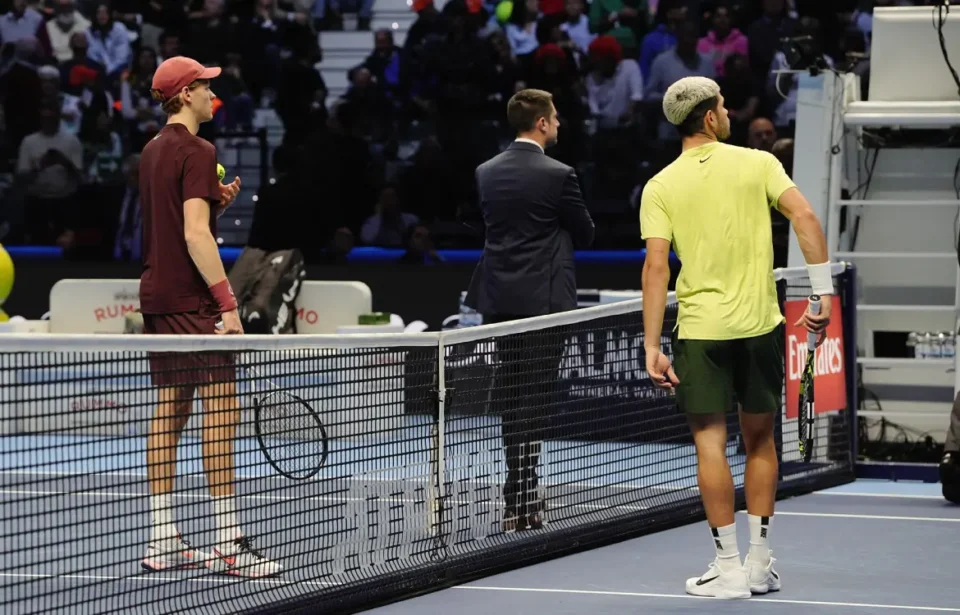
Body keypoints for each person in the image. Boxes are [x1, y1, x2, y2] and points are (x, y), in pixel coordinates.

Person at [639, 76, 831, 599]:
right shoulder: (759, 164)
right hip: (759, 326)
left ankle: (728, 569)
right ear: (709, 117)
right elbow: (804, 216)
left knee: (710, 443)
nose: (728, 113)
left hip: (701, 332)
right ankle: (759, 564)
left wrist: (652, 344)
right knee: (761, 441)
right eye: (723, 106)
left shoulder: (659, 185)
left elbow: (656, 267)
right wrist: (822, 294)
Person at [138, 55, 282, 578]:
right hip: (192, 300)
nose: (211, 94)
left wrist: (213, 204)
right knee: (223, 410)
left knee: (171, 410)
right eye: (204, 86)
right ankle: (229, 542)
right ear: (184, 95)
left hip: (157, 294)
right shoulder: (198, 150)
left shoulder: (152, 150)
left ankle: (162, 537)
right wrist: (227, 303)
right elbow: (195, 235)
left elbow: (176, 223)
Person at [464, 88, 595, 532]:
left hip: (501, 301)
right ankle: (524, 494)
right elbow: (586, 232)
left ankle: (515, 495)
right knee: (534, 398)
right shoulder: (559, 174)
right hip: (544, 304)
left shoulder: (485, 171)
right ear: (540, 123)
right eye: (554, 118)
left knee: (511, 397)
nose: (558, 124)